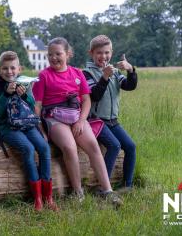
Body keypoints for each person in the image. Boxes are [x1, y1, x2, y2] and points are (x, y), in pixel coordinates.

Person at [32, 37, 122, 205]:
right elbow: (37, 106)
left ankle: (107, 190)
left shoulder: (77, 73)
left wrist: (81, 121)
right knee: (70, 147)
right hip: (54, 118)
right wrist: (40, 130)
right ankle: (78, 191)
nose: (54, 58)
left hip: (76, 116)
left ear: (68, 54)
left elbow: (86, 100)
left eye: (58, 54)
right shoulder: (43, 76)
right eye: (50, 55)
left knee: (93, 146)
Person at [0, 51, 58, 211]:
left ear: (19, 69)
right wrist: (5, 94)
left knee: (44, 148)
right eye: (5, 68)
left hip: (26, 123)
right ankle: (37, 199)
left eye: (13, 68)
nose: (9, 72)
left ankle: (48, 197)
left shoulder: (25, 81)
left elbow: (32, 106)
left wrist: (25, 95)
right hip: (7, 126)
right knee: (28, 148)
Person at [82, 35, 137, 193]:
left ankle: (127, 185)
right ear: (91, 53)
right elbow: (94, 96)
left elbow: (129, 86)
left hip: (113, 121)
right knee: (114, 145)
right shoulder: (87, 74)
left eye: (106, 52)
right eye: (99, 53)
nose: (103, 56)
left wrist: (130, 70)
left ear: (111, 52)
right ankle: (103, 188)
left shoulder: (114, 71)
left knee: (131, 146)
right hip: (96, 121)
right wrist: (104, 76)